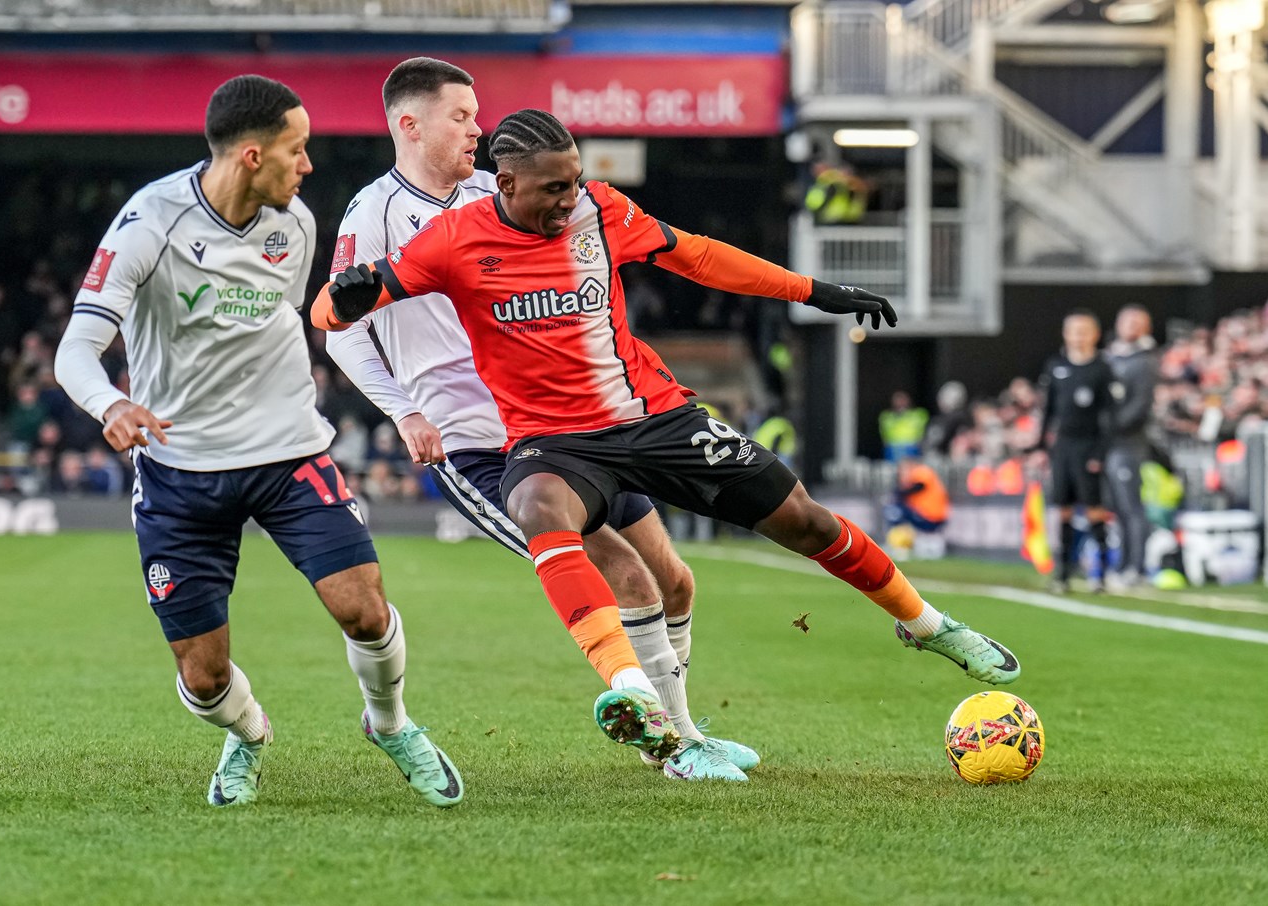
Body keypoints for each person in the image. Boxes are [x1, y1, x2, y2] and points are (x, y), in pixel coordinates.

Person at [314, 110, 1022, 741]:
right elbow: (331, 315)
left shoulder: (601, 212)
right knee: (541, 510)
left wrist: (813, 291)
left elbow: (703, 258)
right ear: (505, 182)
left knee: (799, 522)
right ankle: (640, 704)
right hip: (553, 442)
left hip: (653, 417)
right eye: (553, 188)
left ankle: (930, 625)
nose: (570, 199)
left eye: (575, 182)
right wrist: (342, 301)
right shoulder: (452, 241)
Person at [323, 58, 753, 781]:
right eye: (460, 116)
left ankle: (683, 730)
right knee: (627, 579)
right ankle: (673, 749)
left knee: (674, 580)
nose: (476, 128)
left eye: (476, 114)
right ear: (409, 124)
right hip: (477, 443)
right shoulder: (375, 215)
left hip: (568, 427)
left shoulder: (499, 200)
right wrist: (405, 412)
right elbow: (340, 328)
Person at [53, 75, 463, 809]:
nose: (308, 166)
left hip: (287, 452)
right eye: (296, 150)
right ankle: (245, 735)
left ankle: (391, 723)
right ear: (251, 156)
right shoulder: (150, 222)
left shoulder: (295, 224)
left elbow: (279, 322)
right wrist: (109, 401)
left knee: (364, 607)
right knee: (204, 678)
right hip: (180, 469)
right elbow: (76, 348)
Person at [1037, 310, 1119, 593]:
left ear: (1095, 334)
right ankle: (1063, 573)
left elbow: (1110, 416)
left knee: (1095, 510)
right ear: (1065, 333)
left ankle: (1102, 575)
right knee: (1063, 511)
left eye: (1084, 330)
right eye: (1073, 330)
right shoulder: (1056, 366)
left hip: (1089, 446)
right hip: (1063, 448)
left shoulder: (1102, 368)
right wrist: (1040, 446)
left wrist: (1100, 452)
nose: (1078, 336)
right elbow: (1048, 411)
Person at [1104, 305, 1159, 587]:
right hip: (1112, 444)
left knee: (1131, 507)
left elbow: (1139, 406)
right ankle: (1123, 564)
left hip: (1128, 444)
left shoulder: (1144, 361)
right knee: (1118, 509)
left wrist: (1107, 428)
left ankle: (1136, 569)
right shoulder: (1114, 356)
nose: (1131, 326)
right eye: (1127, 321)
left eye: (1138, 321)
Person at [878, 390, 929, 462]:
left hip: (912, 450)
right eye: (897, 401)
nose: (900, 404)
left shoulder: (919, 415)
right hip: (892, 451)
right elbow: (885, 439)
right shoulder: (886, 417)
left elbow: (923, 436)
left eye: (902, 401)